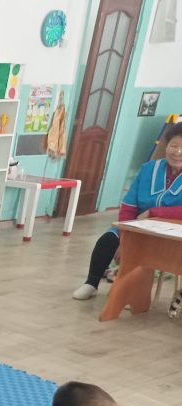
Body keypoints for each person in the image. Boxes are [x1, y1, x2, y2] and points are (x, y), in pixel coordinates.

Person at [72, 122, 182, 301]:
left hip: (174, 233)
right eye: (174, 146)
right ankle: (91, 283)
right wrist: (125, 236)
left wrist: (153, 212)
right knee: (108, 239)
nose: (177, 152)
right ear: (166, 146)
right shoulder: (149, 169)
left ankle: (136, 293)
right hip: (138, 227)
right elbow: (129, 205)